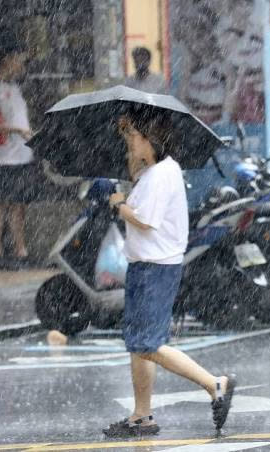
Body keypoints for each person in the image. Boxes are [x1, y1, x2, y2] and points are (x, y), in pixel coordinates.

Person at [103, 110, 236, 437]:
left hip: (155, 268)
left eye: (133, 137)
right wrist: (132, 169)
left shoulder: (163, 173)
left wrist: (117, 204)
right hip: (145, 265)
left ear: (151, 140)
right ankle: (142, 416)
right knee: (139, 344)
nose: (129, 143)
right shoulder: (153, 172)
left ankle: (213, 383)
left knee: (147, 343)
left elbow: (145, 219)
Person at [0, 45, 36, 269]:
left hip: (21, 156)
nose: (21, 67)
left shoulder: (15, 87)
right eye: (18, 61)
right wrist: (15, 130)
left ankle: (21, 251)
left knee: (18, 205)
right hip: (2, 158)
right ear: (8, 60)